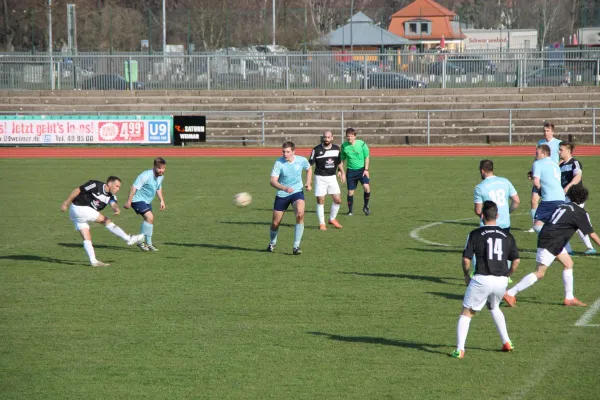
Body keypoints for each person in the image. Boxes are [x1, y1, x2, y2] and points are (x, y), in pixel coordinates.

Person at [504, 185, 600, 308]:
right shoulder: (580, 213)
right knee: (539, 273)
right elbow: (592, 235)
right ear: (584, 199)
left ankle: (569, 298)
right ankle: (510, 293)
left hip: (550, 238)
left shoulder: (562, 206)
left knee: (568, 263)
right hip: (552, 241)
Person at [451, 200, 520, 359]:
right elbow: (516, 261)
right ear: (497, 215)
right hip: (501, 281)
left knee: (466, 313)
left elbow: (466, 259)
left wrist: (466, 275)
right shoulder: (507, 235)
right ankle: (507, 342)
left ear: (482, 215)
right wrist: (507, 275)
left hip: (482, 279)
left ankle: (460, 350)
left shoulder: (475, 234)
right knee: (494, 307)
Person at [60, 176, 145, 267]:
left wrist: (116, 209)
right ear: (109, 184)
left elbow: (113, 204)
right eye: (117, 186)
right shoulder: (95, 185)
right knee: (106, 221)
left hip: (77, 214)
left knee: (87, 237)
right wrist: (66, 202)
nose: (118, 189)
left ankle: (94, 261)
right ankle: (128, 238)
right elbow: (78, 190)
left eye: (119, 187)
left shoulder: (111, 196)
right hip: (79, 207)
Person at [267, 141, 311, 255]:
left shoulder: (301, 160)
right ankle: (272, 243)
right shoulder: (279, 163)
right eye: (283, 151)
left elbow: (309, 168)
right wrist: (284, 188)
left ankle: (296, 246)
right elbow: (272, 181)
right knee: (275, 223)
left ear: (293, 152)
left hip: (297, 192)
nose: (285, 154)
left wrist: (308, 182)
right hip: (282, 194)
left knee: (300, 214)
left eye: (287, 152)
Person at [559, 141, 596, 255]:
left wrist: (569, 186)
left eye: (561, 150)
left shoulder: (575, 163)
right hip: (565, 197)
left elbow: (578, 176)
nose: (559, 152)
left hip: (576, 197)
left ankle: (590, 248)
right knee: (562, 223)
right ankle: (569, 249)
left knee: (578, 222)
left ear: (568, 151)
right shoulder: (560, 165)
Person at [124, 157, 167, 252]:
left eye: (163, 168)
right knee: (150, 217)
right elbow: (133, 188)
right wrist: (129, 202)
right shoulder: (145, 175)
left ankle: (149, 244)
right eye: (159, 168)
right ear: (154, 166)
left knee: (150, 220)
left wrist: (162, 201)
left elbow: (158, 188)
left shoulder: (161, 176)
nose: (161, 170)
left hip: (147, 201)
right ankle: (140, 241)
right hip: (137, 200)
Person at [307, 130, 346, 230]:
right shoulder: (316, 149)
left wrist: (342, 172)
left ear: (332, 138)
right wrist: (309, 181)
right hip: (320, 178)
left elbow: (339, 162)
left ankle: (332, 219)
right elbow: (309, 165)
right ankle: (322, 223)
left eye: (328, 137)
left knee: (338, 200)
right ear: (322, 138)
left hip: (332, 177)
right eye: (325, 137)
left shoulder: (336, 149)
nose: (326, 139)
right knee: (321, 200)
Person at [526, 122, 562, 232]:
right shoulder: (540, 142)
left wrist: (556, 165)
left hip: (551, 176)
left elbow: (564, 157)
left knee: (551, 199)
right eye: (544, 131)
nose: (545, 133)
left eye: (548, 131)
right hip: (540, 174)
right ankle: (535, 223)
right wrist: (532, 171)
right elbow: (536, 159)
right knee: (533, 200)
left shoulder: (558, 143)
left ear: (553, 132)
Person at [473, 160, 520, 231]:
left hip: (488, 225)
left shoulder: (479, 187)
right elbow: (516, 201)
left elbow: (478, 211)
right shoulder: (505, 181)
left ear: (482, 171)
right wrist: (507, 212)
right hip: (505, 225)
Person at [530, 144, 565, 234]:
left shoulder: (537, 163)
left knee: (537, 226)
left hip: (549, 200)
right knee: (552, 223)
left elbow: (536, 182)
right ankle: (560, 245)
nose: (535, 155)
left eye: (537, 153)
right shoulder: (555, 164)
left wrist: (541, 190)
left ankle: (552, 238)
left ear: (544, 154)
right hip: (561, 198)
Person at [340, 127, 371, 216]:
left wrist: (366, 169)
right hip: (351, 171)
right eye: (348, 136)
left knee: (366, 187)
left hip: (362, 170)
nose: (350, 138)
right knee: (350, 192)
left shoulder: (362, 144)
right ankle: (350, 211)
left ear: (355, 136)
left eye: (351, 136)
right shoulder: (344, 146)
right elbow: (342, 159)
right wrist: (340, 170)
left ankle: (365, 206)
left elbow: (367, 156)